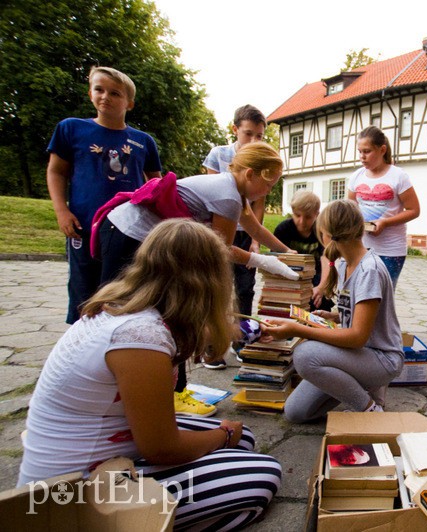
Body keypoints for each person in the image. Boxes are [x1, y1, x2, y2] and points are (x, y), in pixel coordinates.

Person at [18, 219, 282, 530]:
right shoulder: (141, 337)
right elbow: (161, 448)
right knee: (262, 474)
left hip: (104, 450)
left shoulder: (127, 309)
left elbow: (204, 333)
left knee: (244, 438)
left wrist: (240, 331)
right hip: (71, 493)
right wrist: (223, 435)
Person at [96, 142, 297, 416]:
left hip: (139, 236)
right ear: (250, 174)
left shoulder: (234, 191)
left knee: (166, 311)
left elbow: (254, 229)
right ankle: (158, 391)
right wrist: (261, 260)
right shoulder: (228, 196)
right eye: (269, 184)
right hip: (128, 234)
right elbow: (219, 250)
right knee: (147, 311)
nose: (269, 192)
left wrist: (287, 253)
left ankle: (170, 389)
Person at [266, 199, 404, 422]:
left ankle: (369, 409)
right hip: (357, 357)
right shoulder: (344, 264)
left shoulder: (369, 270)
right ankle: (361, 387)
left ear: (328, 235)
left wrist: (298, 330)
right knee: (296, 412)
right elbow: (364, 311)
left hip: (381, 359)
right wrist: (334, 316)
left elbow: (357, 337)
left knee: (304, 355)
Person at [46, 66, 162, 325]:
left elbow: (156, 184)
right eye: (99, 89)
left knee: (122, 289)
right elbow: (56, 171)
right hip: (85, 224)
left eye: (115, 93)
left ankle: (116, 340)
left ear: (129, 103)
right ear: (90, 93)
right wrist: (61, 210)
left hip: (127, 230)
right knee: (83, 289)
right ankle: (81, 340)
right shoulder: (71, 129)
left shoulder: (143, 141)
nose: (105, 97)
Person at [203, 104, 268, 325]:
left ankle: (242, 335)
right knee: (216, 284)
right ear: (235, 129)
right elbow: (211, 195)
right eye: (248, 134)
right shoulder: (218, 154)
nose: (253, 141)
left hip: (245, 232)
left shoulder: (263, 160)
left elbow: (259, 205)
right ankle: (213, 337)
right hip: (219, 228)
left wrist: (255, 242)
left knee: (245, 287)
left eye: (259, 136)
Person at [347, 126, 420, 288]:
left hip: (391, 250)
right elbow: (350, 210)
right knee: (360, 293)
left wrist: (385, 223)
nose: (362, 157)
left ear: (382, 150)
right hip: (360, 248)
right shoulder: (356, 177)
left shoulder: (398, 176)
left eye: (367, 151)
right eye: (360, 152)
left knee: (383, 296)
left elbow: (414, 210)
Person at [273, 189, 334, 311]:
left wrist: (321, 288)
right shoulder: (283, 230)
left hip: (315, 276)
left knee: (319, 300)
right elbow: (274, 260)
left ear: (317, 214)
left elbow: (327, 260)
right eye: (297, 215)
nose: (301, 222)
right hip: (288, 275)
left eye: (308, 217)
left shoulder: (321, 231)